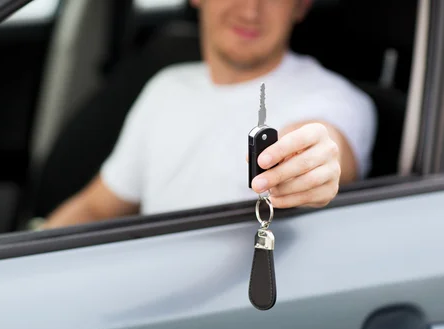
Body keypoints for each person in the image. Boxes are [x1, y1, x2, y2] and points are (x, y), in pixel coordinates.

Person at [38, 0, 376, 229]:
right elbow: (96, 207)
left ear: (300, 5)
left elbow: (325, 146)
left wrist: (307, 163)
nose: (250, 11)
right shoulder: (167, 87)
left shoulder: (336, 99)